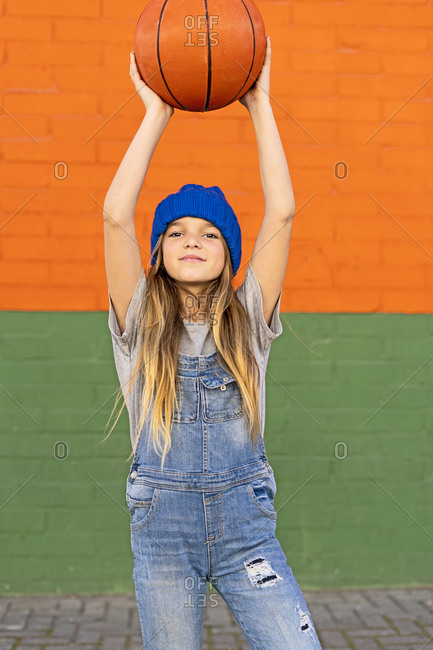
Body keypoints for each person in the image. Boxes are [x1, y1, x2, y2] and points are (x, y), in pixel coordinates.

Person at [102, 36, 322, 650]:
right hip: (162, 532)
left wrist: (260, 105)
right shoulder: (140, 320)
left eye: (208, 234)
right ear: (158, 254)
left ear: (229, 254)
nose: (191, 241)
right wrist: (155, 115)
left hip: (245, 528)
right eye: (175, 233)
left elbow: (281, 211)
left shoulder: (247, 318)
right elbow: (115, 216)